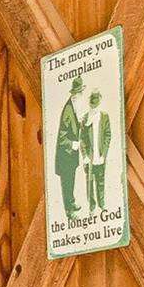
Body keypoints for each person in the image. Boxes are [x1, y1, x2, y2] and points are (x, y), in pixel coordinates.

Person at [54, 75, 87, 218]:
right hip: (65, 156)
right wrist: (74, 144)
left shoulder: (73, 107)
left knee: (71, 179)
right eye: (80, 94)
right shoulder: (68, 110)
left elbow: (74, 126)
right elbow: (62, 138)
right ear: (75, 95)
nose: (82, 96)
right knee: (66, 182)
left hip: (70, 156)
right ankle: (69, 211)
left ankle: (71, 201)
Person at [85, 87, 114, 208]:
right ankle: (91, 206)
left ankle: (102, 205)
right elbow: (82, 139)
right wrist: (85, 156)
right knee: (90, 182)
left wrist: (104, 154)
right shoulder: (85, 119)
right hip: (89, 158)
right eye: (92, 103)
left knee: (100, 181)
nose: (94, 106)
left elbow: (108, 135)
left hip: (100, 156)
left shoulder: (104, 117)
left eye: (96, 103)